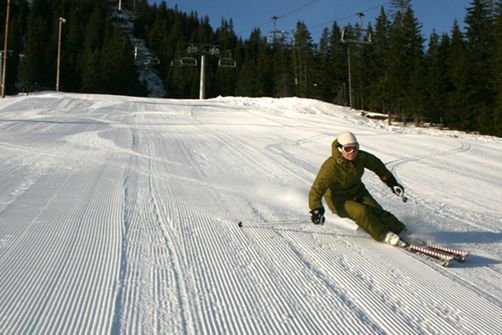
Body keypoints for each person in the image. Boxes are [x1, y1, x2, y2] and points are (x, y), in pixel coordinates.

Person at [308, 131, 406, 245]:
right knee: (362, 212)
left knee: (376, 210)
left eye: (355, 148)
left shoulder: (360, 157)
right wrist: (316, 209)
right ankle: (384, 235)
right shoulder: (331, 167)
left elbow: (377, 166)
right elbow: (316, 190)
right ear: (340, 149)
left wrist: (392, 183)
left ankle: (401, 230)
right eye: (348, 149)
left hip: (358, 192)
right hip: (339, 200)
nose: (352, 152)